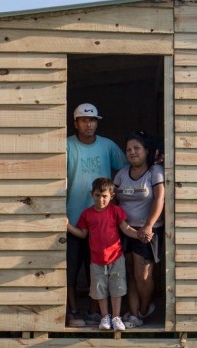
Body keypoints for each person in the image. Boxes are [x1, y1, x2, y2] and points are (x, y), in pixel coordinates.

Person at [66, 103, 128, 327]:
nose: (88, 123)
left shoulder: (107, 145)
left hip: (102, 222)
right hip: (73, 219)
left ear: (97, 122)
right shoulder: (66, 146)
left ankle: (94, 312)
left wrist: (118, 197)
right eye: (83, 120)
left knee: (98, 270)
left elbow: (125, 168)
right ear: (75, 123)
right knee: (71, 269)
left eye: (92, 120)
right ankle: (72, 311)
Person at [67, 177, 140, 332]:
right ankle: (105, 317)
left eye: (104, 196)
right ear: (91, 194)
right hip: (96, 260)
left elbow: (126, 229)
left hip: (116, 257)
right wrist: (67, 226)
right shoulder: (87, 214)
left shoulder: (116, 211)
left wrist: (139, 234)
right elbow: (82, 234)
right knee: (99, 288)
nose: (101, 199)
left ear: (111, 196)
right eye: (97, 196)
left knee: (117, 287)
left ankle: (116, 317)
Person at [114, 131, 164, 326]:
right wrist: (122, 225)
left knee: (142, 274)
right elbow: (115, 201)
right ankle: (134, 315)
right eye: (128, 149)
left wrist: (149, 225)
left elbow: (160, 199)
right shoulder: (121, 173)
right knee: (129, 272)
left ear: (146, 150)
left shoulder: (155, 171)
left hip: (147, 230)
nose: (132, 152)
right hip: (125, 229)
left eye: (137, 148)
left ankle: (144, 308)